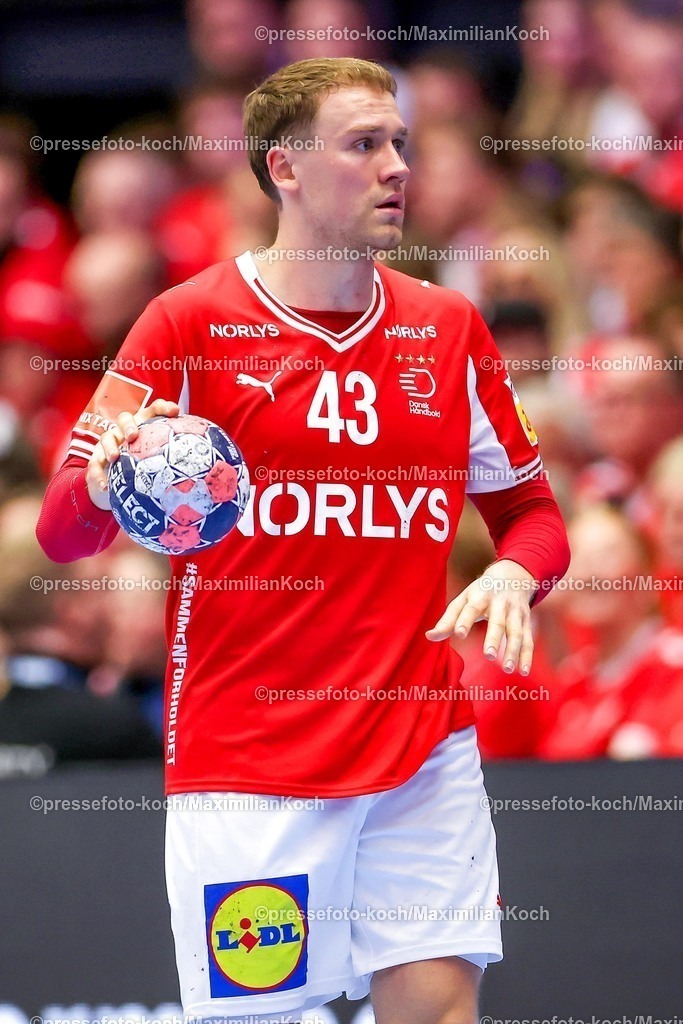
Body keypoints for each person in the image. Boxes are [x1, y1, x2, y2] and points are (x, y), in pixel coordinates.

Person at [37, 58, 570, 1024]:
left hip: (421, 745)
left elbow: (536, 521)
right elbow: (62, 530)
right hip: (250, 761)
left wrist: (509, 570)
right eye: (363, 144)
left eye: (399, 143)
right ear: (284, 167)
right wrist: (109, 477)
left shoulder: (446, 330)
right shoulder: (186, 323)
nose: (396, 167)